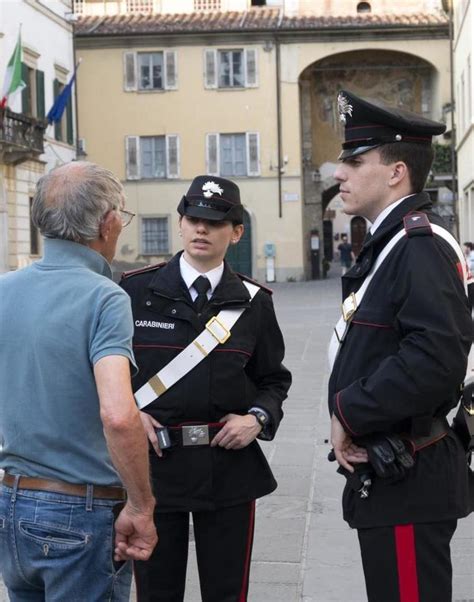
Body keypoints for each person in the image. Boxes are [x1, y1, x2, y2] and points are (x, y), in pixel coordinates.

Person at [328, 90, 473, 602]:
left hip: (412, 470)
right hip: (394, 471)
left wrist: (348, 409)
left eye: (354, 160)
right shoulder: (391, 243)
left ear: (396, 173)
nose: (339, 173)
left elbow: (434, 360)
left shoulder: (420, 245)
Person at [120, 175, 291, 602]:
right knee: (156, 593)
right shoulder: (135, 291)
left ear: (235, 233)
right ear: (180, 223)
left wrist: (258, 418)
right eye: (193, 218)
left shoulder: (254, 303)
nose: (201, 229)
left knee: (227, 592)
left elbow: (273, 379)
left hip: (228, 469)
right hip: (156, 469)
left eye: (214, 223)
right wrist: (130, 413)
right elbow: (107, 374)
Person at [0, 161, 158, 601]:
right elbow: (119, 415)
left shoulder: (4, 290)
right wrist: (142, 506)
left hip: (12, 503)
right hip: (78, 510)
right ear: (108, 223)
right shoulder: (104, 296)